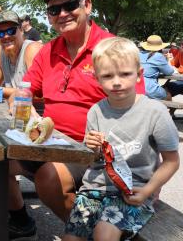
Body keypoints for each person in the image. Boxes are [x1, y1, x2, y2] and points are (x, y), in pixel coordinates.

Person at [0, 0, 145, 241]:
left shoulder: (110, 48)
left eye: (70, 5)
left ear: (87, 5)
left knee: (48, 177)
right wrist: (24, 106)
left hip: (95, 148)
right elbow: (26, 89)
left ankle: (104, 235)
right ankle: (21, 221)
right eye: (54, 10)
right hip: (52, 142)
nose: (62, 14)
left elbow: (138, 109)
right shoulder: (49, 51)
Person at [63, 37, 180, 240]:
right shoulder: (96, 111)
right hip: (94, 189)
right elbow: (93, 159)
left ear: (139, 75)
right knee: (71, 238)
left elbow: (172, 161)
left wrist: (148, 191)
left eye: (125, 74)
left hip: (134, 191)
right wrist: (92, 148)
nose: (116, 82)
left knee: (104, 234)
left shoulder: (155, 112)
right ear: (97, 78)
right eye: (107, 76)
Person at [0, 10, 42, 218]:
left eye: (10, 30)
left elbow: (39, 94)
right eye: (0, 33)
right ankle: (1, 194)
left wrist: (5, 91)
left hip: (38, 123)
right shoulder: (4, 53)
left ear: (22, 29)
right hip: (15, 119)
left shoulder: (32, 50)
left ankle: (20, 219)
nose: (5, 36)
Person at [139, 35, 174, 100]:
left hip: (136, 87)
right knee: (168, 95)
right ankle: (165, 110)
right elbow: (170, 72)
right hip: (149, 88)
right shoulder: (158, 56)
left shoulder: (139, 54)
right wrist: (168, 60)